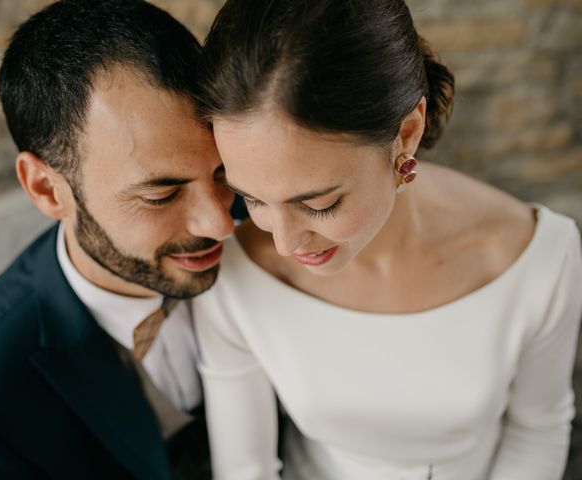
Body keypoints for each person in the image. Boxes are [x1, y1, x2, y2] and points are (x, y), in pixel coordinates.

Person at [191, 0, 582, 479]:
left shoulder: (538, 257)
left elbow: (538, 429)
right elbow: (244, 468)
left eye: (319, 204)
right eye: (250, 199)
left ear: (407, 134)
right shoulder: (234, 273)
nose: (287, 243)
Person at [0, 0, 236, 478]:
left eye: (224, 172)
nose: (220, 223)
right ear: (46, 189)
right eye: (162, 194)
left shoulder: (276, 222)